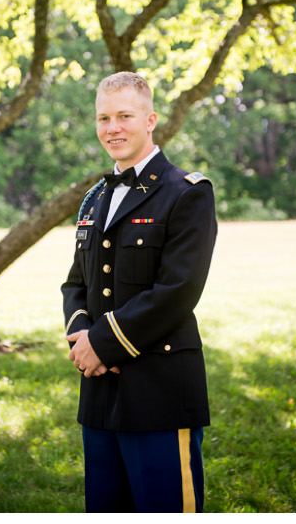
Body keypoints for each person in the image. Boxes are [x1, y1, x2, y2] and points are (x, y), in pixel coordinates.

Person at [61, 72, 216, 512]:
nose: (112, 128)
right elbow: (76, 282)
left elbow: (178, 290)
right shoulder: (93, 198)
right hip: (98, 397)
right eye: (103, 118)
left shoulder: (187, 193)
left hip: (160, 393)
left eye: (124, 116)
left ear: (150, 120)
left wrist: (103, 345)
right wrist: (81, 340)